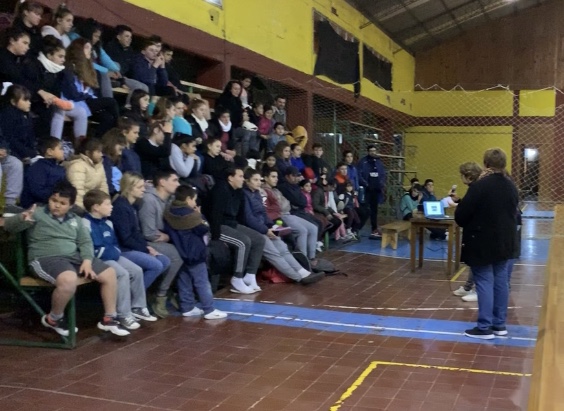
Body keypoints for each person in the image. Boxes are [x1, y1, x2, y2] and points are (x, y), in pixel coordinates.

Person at [3, 181, 129, 337]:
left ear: (70, 206)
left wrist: (87, 261)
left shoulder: (75, 219)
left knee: (109, 273)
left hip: (72, 257)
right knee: (69, 279)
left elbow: (85, 242)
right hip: (45, 258)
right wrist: (22, 219)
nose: (56, 205)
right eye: (53, 201)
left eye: (62, 203)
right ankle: (54, 319)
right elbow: (8, 226)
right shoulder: (37, 213)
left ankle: (109, 319)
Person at [455, 148, 518, 340]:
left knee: (484, 280)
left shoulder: (480, 185)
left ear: (485, 163)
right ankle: (499, 324)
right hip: (505, 240)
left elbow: (462, 215)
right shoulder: (510, 185)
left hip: (482, 241)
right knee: (501, 281)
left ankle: (484, 327)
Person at [82, 190, 158, 330]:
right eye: (107, 204)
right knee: (122, 273)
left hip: (113, 256)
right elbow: (93, 249)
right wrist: (112, 252)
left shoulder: (108, 223)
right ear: (96, 207)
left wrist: (115, 252)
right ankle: (123, 314)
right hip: (98, 260)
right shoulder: (85, 224)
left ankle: (138, 307)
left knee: (136, 270)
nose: (111, 207)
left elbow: (115, 244)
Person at [243, 169, 323, 284]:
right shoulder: (244, 195)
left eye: (259, 180)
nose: (258, 182)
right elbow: (248, 218)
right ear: (247, 181)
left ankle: (303, 272)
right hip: (255, 230)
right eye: (255, 180)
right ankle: (298, 277)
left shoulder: (256, 194)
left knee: (283, 248)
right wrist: (265, 230)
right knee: (273, 253)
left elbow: (264, 214)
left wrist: (272, 226)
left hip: (265, 227)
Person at [163, 185, 227, 319]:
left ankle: (187, 307)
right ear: (188, 199)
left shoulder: (169, 212)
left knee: (184, 280)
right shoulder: (192, 216)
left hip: (180, 251)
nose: (195, 203)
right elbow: (203, 229)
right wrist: (199, 215)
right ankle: (209, 310)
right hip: (195, 252)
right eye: (194, 199)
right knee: (202, 281)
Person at [204, 166, 266, 294]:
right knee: (243, 242)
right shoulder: (219, 190)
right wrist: (216, 237)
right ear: (230, 178)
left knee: (259, 239)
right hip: (217, 226)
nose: (243, 179)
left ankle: (250, 275)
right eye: (240, 176)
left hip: (232, 224)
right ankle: (237, 278)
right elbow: (215, 215)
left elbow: (240, 215)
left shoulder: (239, 191)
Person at [111, 172, 171, 290]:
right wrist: (145, 250)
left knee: (164, 260)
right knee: (156, 265)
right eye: (140, 187)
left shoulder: (132, 206)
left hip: (132, 247)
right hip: (122, 250)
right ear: (129, 188)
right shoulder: (121, 208)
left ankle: (139, 294)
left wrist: (147, 247)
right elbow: (125, 238)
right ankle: (135, 298)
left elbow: (136, 233)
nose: (144, 189)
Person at [138, 170, 183, 318]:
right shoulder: (149, 200)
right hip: (145, 242)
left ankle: (176, 291)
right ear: (162, 182)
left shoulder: (170, 199)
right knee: (176, 255)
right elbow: (148, 233)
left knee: (187, 249)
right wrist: (168, 237)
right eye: (175, 180)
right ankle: (160, 296)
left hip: (161, 238)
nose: (178, 184)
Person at [262, 168, 319, 263]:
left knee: (313, 228)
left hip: (288, 214)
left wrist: (284, 203)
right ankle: (303, 260)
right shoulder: (264, 191)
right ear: (265, 178)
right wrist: (283, 203)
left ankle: (311, 257)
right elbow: (279, 207)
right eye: (273, 177)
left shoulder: (275, 190)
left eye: (276, 177)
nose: (276, 179)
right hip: (280, 217)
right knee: (302, 231)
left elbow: (286, 203)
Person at [452, 162, 483, 302]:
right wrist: (460, 201)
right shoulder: (475, 188)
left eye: (462, 175)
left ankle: (478, 290)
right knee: (474, 262)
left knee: (479, 263)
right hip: (477, 230)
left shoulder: (477, 188)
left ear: (469, 176)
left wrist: (460, 209)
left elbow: (467, 212)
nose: (460, 178)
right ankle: (468, 287)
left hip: (478, 231)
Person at [20, 137, 66, 208]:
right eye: (61, 149)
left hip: (56, 203)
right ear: (49, 151)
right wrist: (56, 195)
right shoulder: (38, 168)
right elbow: (38, 192)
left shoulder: (60, 169)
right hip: (36, 206)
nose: (63, 151)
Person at [66, 137, 109, 210]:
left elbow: (103, 188)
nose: (101, 155)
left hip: (93, 207)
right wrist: (84, 210)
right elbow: (77, 191)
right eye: (98, 152)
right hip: (79, 208)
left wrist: (105, 206)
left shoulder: (100, 166)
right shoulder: (77, 166)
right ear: (88, 153)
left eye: (101, 152)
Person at [0, 85, 38, 164]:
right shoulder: (8, 115)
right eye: (25, 100)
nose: (29, 103)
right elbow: (10, 139)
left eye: (29, 100)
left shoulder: (26, 115)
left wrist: (33, 152)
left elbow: (30, 137)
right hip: (12, 152)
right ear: (13, 101)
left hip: (25, 152)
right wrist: (27, 153)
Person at [357, 144, 387, 238]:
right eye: (371, 151)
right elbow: (359, 175)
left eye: (374, 151)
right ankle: (357, 229)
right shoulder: (363, 162)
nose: (373, 152)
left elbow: (383, 174)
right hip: (366, 190)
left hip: (376, 190)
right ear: (368, 152)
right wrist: (366, 184)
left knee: (374, 210)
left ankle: (374, 229)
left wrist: (380, 184)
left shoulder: (379, 162)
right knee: (365, 210)